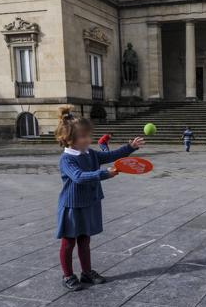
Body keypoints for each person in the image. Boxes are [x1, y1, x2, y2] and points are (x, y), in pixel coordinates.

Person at [54, 106, 145, 291]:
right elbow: (78, 176)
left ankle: (86, 273)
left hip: (88, 203)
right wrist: (104, 174)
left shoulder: (90, 153)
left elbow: (110, 155)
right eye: (84, 136)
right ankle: (68, 275)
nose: (89, 139)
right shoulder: (67, 159)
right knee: (69, 242)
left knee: (85, 240)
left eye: (89, 135)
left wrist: (130, 147)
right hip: (72, 206)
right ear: (70, 139)